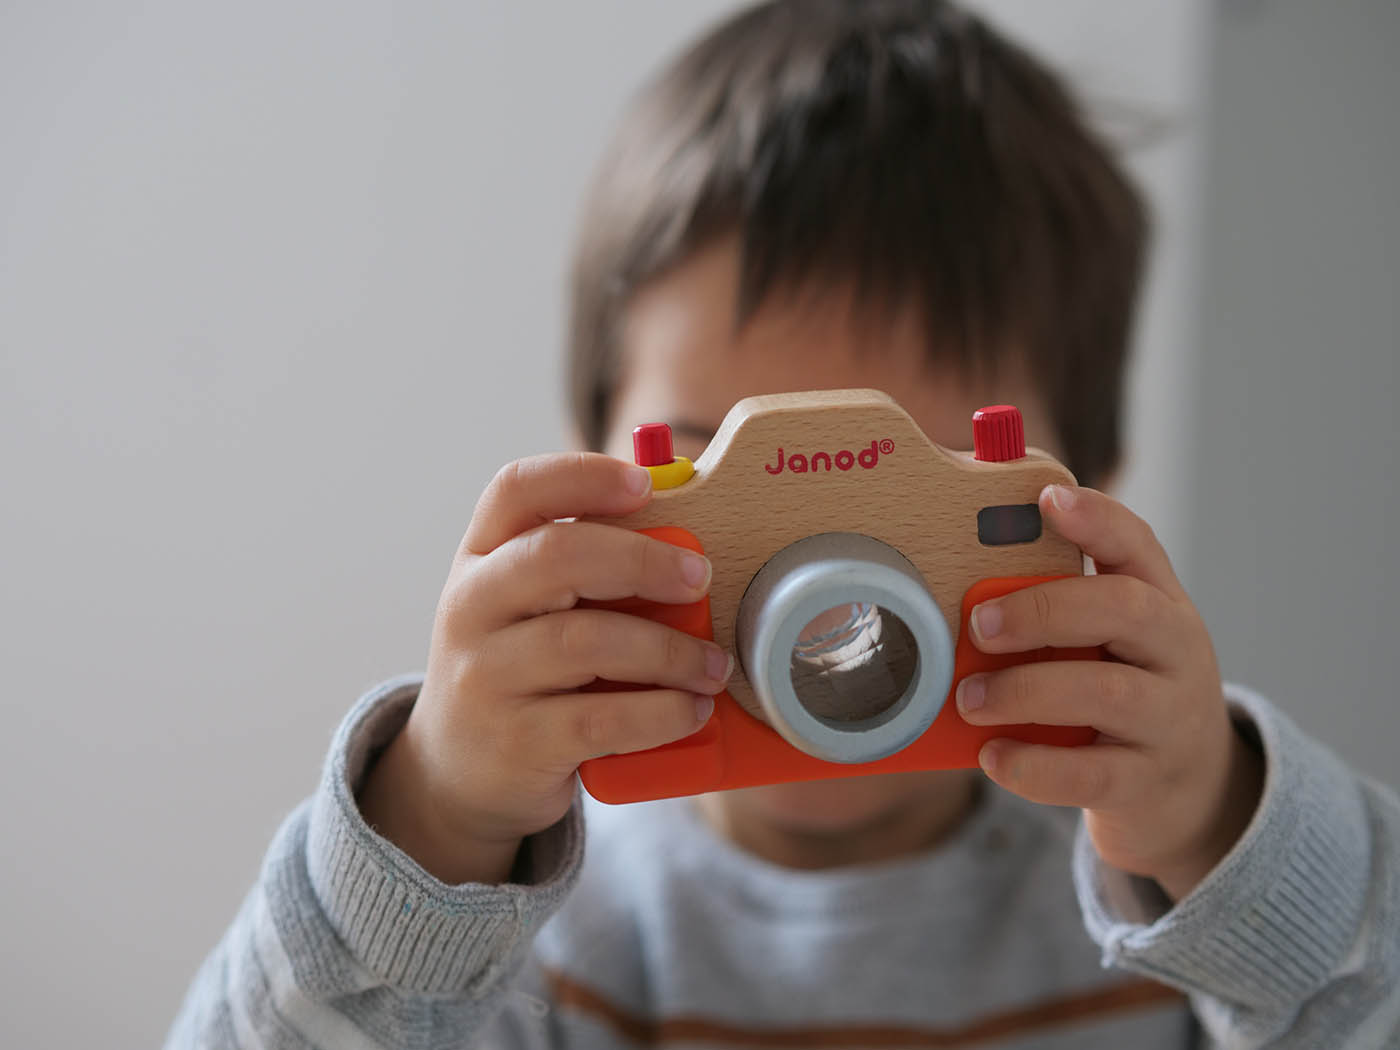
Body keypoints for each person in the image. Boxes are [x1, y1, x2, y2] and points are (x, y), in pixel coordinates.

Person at [165, 2, 1400, 1046]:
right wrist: (433, 824)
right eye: (714, 466)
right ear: (594, 463)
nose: (824, 589)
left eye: (913, 485)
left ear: (1068, 497)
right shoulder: (526, 932)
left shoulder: (1170, 901)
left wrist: (1226, 834)